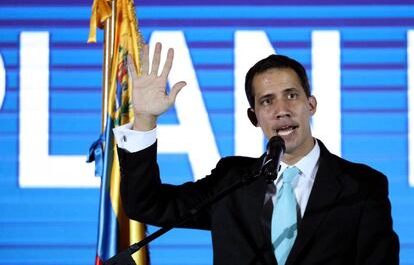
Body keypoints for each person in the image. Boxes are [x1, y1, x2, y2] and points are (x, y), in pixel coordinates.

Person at [113, 42, 399, 264]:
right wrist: (145, 119)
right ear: (254, 116)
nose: (281, 110)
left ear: (310, 105)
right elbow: (146, 204)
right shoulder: (232, 181)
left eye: (292, 95)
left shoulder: (362, 186)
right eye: (267, 101)